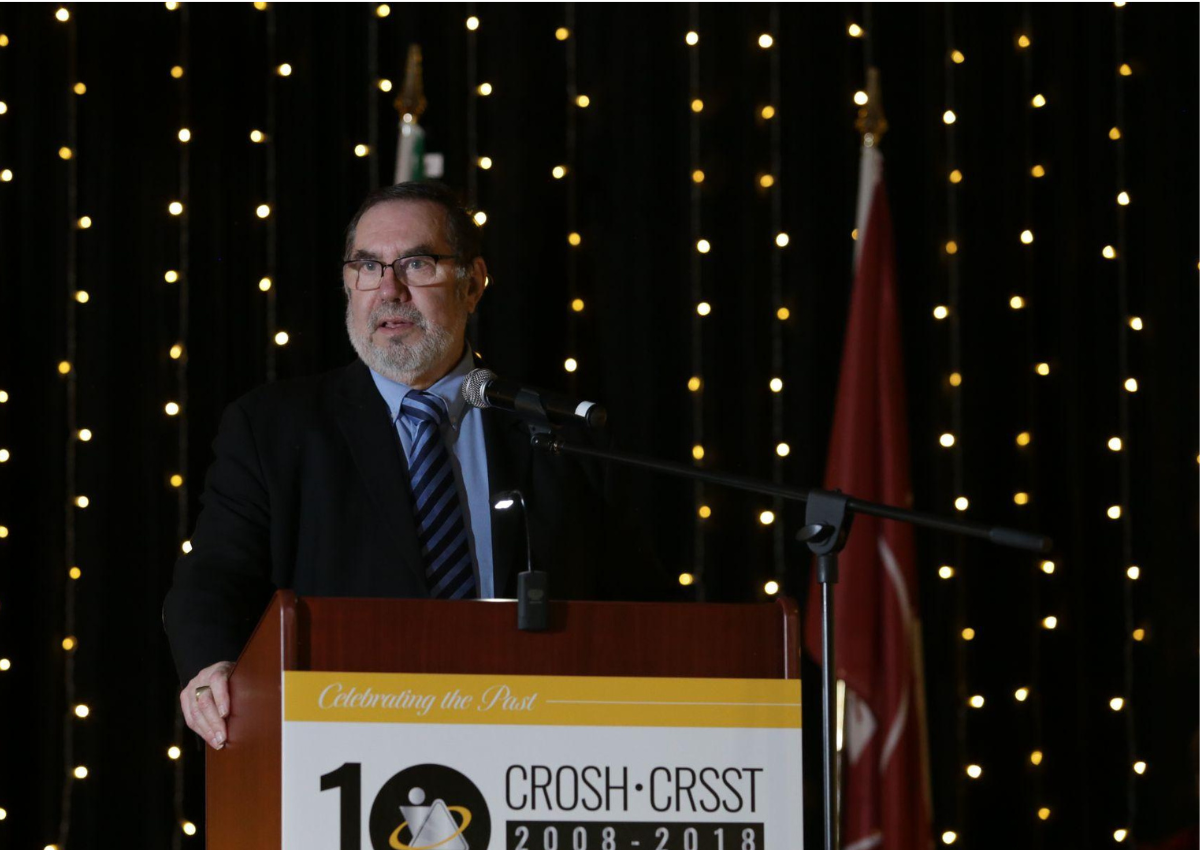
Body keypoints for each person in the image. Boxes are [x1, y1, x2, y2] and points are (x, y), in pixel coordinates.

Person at [163, 182, 661, 751]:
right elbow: (214, 578)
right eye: (368, 266)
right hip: (342, 747)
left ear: (472, 283)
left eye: (417, 263)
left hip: (534, 749)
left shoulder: (557, 432)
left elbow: (639, 605)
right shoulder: (273, 427)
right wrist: (213, 666)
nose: (389, 290)